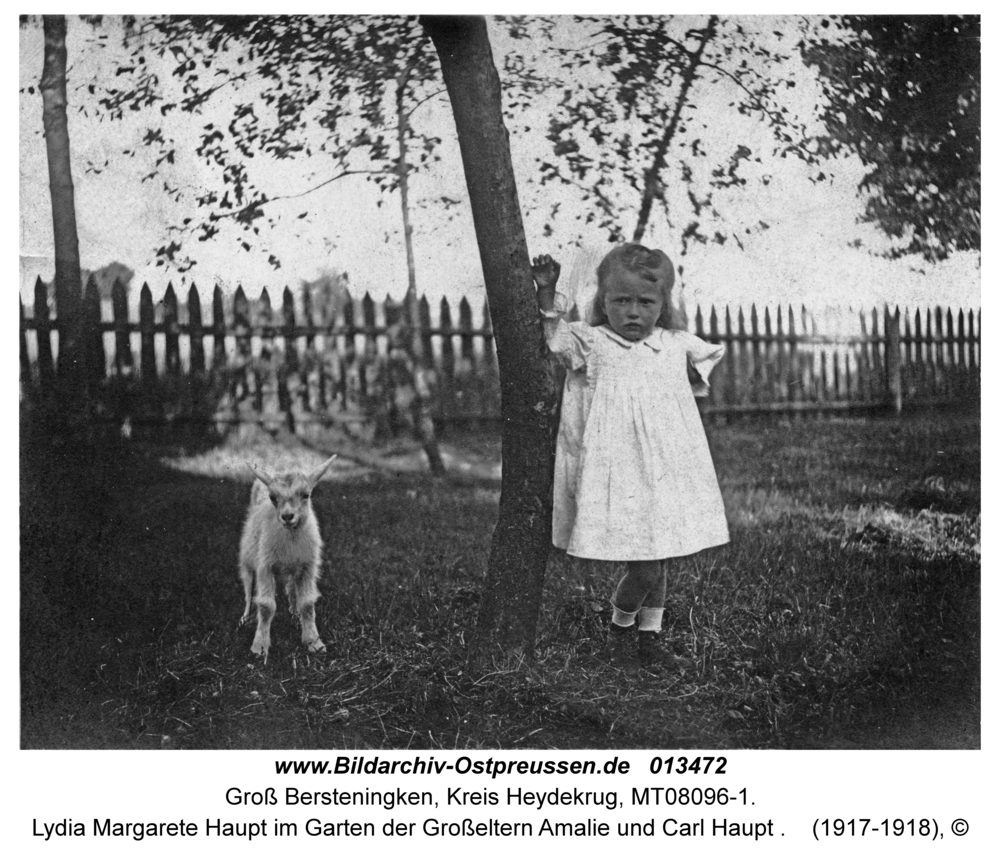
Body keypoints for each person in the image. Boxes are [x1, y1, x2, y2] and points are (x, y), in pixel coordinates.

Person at [532, 243, 729, 667]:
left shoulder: (673, 343)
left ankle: (648, 638)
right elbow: (557, 341)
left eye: (646, 302)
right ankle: (621, 630)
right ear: (603, 302)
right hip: (620, 471)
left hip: (665, 469)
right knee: (646, 565)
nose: (634, 313)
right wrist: (547, 293)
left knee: (658, 556)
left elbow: (699, 372)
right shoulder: (595, 342)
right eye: (622, 301)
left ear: (663, 304)